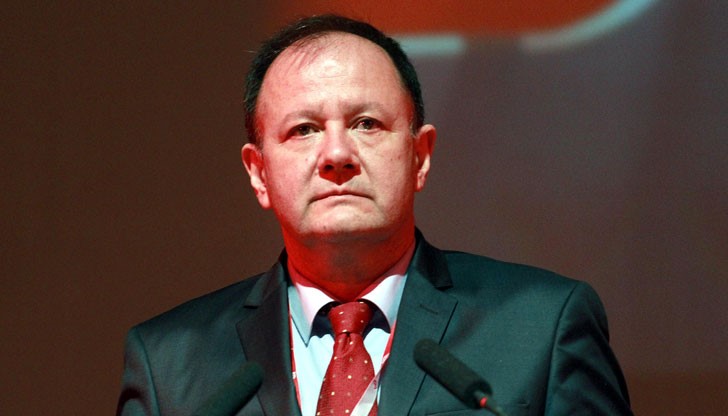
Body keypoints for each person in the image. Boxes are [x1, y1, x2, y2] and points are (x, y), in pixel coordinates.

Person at [116, 14, 632, 416]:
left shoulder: (542, 326)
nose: (336, 155)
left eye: (366, 123)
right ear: (259, 173)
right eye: (303, 130)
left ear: (419, 157)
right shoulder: (169, 363)